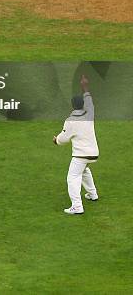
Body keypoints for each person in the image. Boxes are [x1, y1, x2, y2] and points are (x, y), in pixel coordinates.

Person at [53, 74, 99, 214]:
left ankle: (77, 206)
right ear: (83, 105)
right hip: (94, 153)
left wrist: (56, 140)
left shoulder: (71, 120)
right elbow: (90, 101)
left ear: (72, 105)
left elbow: (63, 139)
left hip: (81, 155)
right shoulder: (89, 113)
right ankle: (92, 194)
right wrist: (85, 87)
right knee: (84, 170)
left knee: (72, 177)